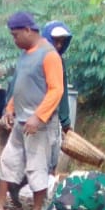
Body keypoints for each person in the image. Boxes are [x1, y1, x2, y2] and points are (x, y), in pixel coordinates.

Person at [0, 11, 64, 210]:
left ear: (28, 30)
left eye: (16, 34)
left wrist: (39, 117)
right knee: (9, 160)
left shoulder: (49, 55)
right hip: (21, 120)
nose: (14, 39)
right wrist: (10, 108)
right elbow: (20, 87)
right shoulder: (25, 55)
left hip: (39, 124)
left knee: (37, 165)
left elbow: (56, 90)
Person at [40, 20, 74, 174]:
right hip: (32, 113)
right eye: (55, 41)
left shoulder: (59, 62)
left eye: (62, 42)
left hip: (51, 115)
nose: (59, 45)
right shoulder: (34, 57)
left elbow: (62, 92)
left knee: (51, 156)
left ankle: (44, 191)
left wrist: (65, 121)